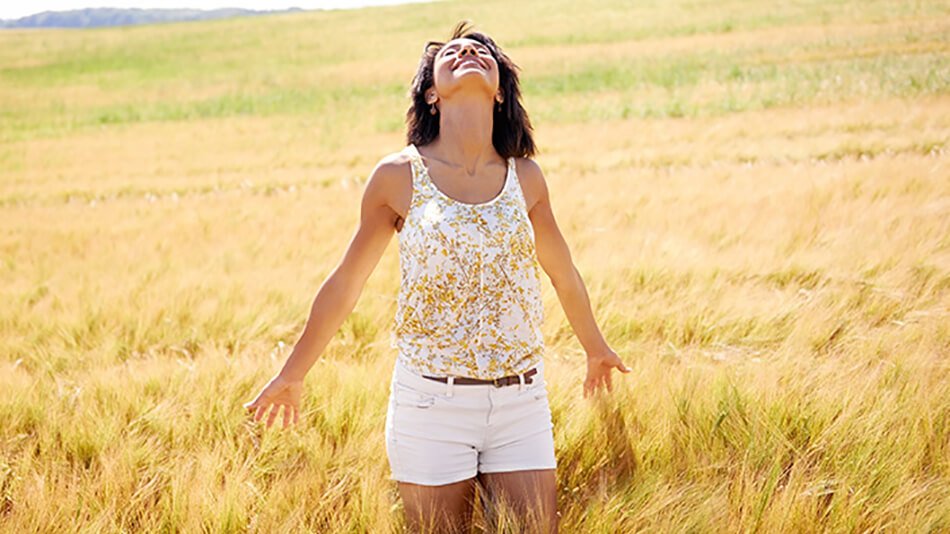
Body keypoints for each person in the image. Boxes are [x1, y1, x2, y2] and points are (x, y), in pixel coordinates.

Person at [243, 20, 631, 533]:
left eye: (482, 51)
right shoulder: (397, 176)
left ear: (498, 91)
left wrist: (596, 348)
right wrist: (292, 375)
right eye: (453, 51)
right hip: (431, 405)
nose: (469, 51)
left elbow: (563, 273)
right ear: (430, 93)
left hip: (521, 400)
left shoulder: (527, 178)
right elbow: (346, 283)